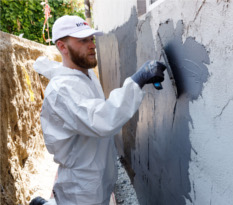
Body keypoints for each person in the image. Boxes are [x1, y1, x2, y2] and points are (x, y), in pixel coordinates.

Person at [30, 15, 165, 205]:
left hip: (98, 170)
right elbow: (102, 119)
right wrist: (138, 80)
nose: (92, 45)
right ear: (62, 47)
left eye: (91, 39)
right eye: (82, 40)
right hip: (80, 183)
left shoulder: (85, 76)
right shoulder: (62, 90)